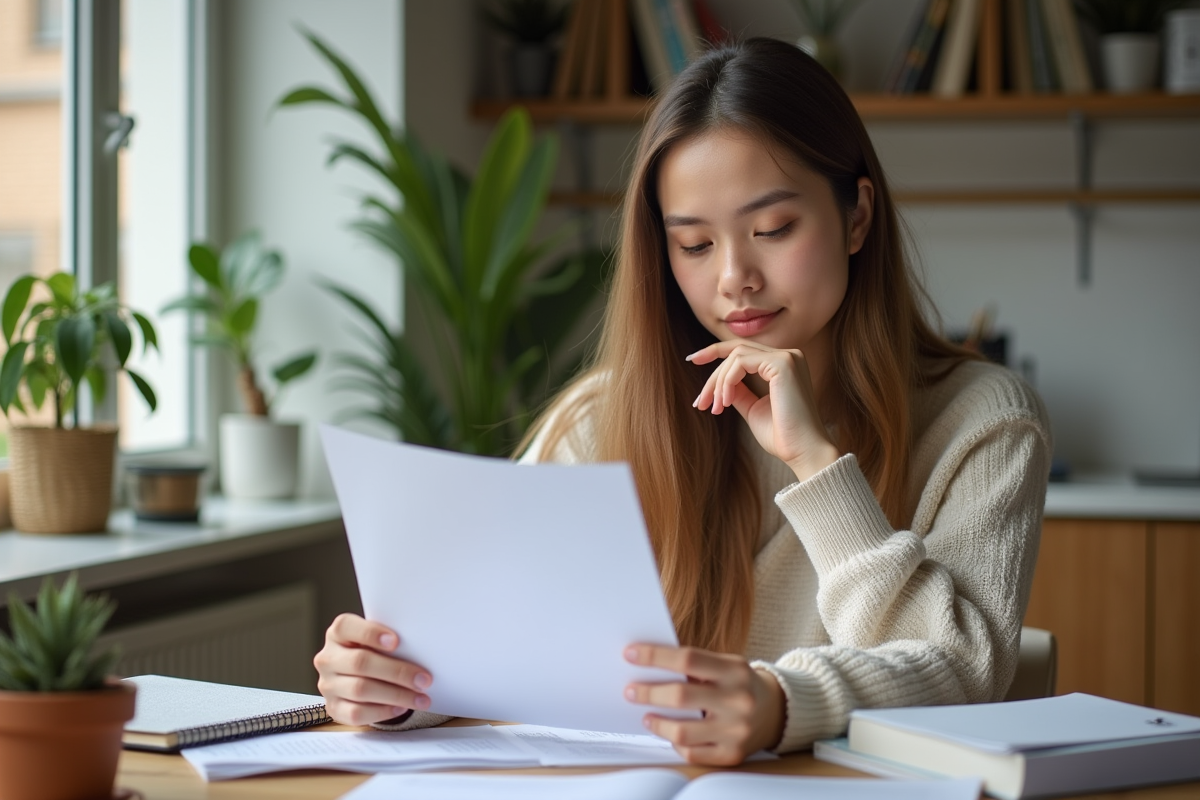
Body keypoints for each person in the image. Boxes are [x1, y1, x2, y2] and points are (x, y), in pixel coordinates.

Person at [314, 37, 1051, 766]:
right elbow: (505, 641)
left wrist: (816, 469)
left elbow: (962, 676)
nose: (735, 277)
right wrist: (401, 686)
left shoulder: (984, 421)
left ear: (857, 217)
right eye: (694, 245)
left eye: (772, 229)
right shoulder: (601, 419)